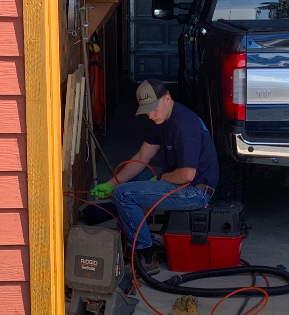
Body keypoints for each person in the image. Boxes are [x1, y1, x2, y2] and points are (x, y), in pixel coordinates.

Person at [91, 79, 219, 274]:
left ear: (167, 98)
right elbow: (143, 156)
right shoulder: (161, 119)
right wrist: (111, 183)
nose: (151, 115)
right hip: (183, 179)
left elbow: (187, 174)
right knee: (127, 184)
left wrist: (162, 178)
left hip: (195, 191)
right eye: (147, 110)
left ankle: (146, 254)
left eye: (154, 109)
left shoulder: (183, 126)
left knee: (124, 195)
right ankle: (128, 240)